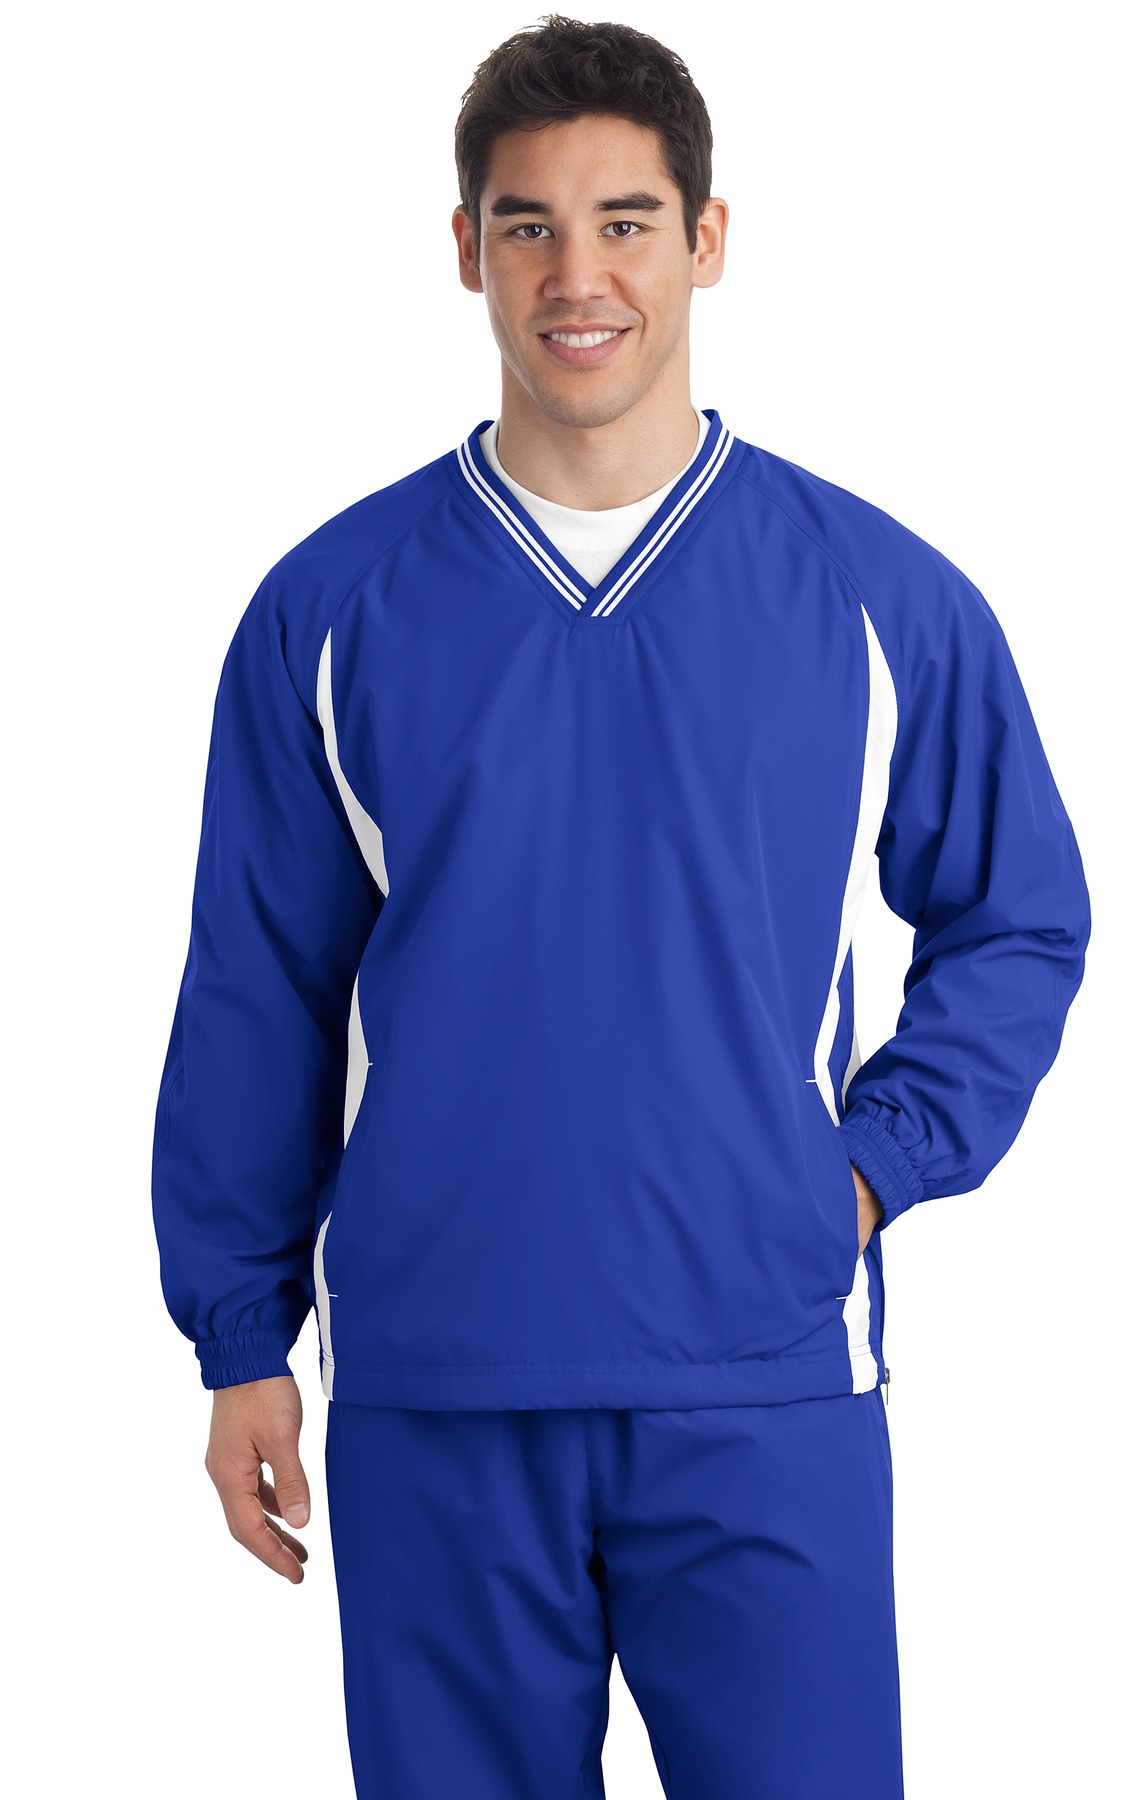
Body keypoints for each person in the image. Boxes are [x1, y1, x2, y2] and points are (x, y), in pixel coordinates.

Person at [150, 15, 1091, 1798]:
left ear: (707, 239)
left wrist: (865, 1170)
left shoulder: (875, 597)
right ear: (466, 250)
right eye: (529, 226)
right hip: (438, 1380)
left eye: (626, 222)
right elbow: (258, 987)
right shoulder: (330, 608)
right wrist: (239, 1337)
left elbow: (1019, 915)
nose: (577, 277)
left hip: (765, 1376)